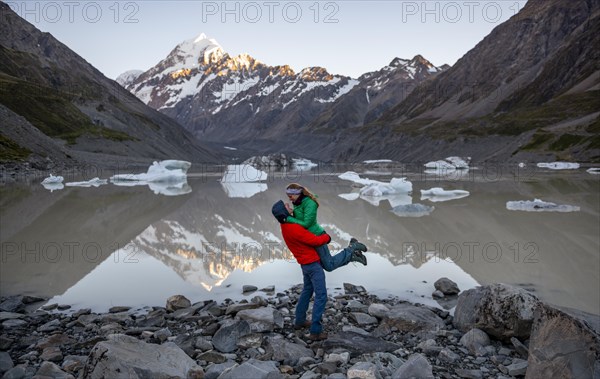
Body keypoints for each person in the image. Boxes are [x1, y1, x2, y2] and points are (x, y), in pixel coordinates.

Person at [271, 200, 331, 341]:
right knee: (321, 295)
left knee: (307, 291)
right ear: (284, 212)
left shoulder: (285, 225)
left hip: (305, 264)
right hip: (313, 265)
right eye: (286, 206)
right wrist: (327, 237)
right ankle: (315, 331)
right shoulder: (293, 228)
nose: (288, 204)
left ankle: (300, 321)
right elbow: (315, 241)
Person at [284, 183, 368, 270]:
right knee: (325, 264)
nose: (289, 199)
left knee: (329, 265)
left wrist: (288, 218)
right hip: (310, 238)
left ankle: (353, 247)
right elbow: (299, 220)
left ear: (297, 193)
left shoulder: (310, 203)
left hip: (317, 235)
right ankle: (352, 256)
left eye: (290, 196)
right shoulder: (297, 203)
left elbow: (306, 223)